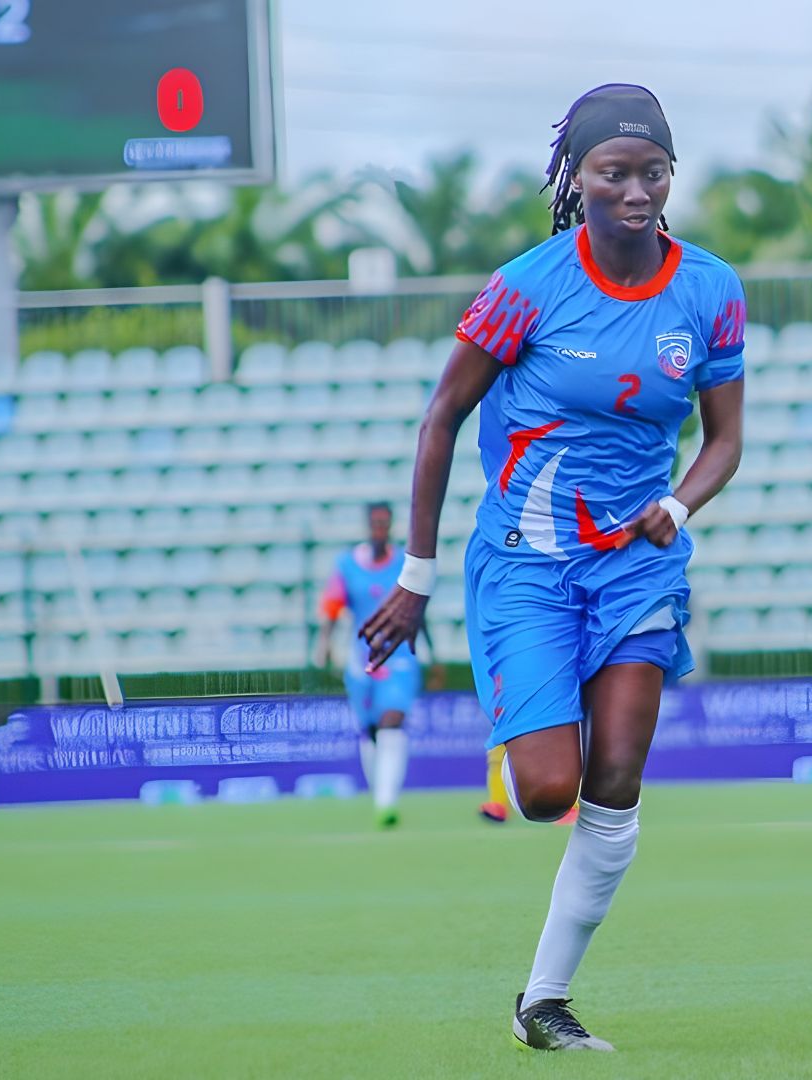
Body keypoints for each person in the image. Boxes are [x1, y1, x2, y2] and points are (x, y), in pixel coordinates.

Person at [358, 83, 747, 1052]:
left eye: (652, 171)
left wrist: (677, 503)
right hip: (528, 563)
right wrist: (415, 574)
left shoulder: (710, 290)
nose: (636, 190)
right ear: (576, 178)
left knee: (614, 779)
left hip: (638, 566)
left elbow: (726, 439)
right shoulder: (525, 286)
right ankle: (534, 699)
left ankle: (544, 1002)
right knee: (543, 791)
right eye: (614, 172)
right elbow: (440, 418)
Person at [316, 501, 421, 828]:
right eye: (375, 522)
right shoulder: (347, 565)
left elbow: (416, 606)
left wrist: (430, 652)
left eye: (384, 523)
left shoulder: (404, 563)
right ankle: (381, 792)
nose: (380, 528)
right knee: (372, 729)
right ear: (367, 525)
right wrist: (324, 645)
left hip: (400, 655)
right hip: (361, 659)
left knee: (393, 719)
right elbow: (332, 607)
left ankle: (386, 802)